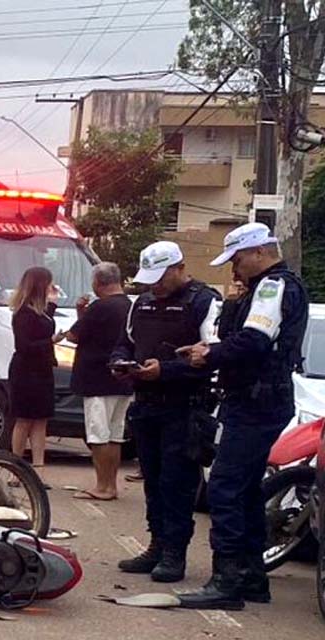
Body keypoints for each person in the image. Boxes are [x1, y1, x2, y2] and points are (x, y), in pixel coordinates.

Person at [177, 223, 309, 610]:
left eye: (237, 259)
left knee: (226, 487)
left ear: (258, 253)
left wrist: (211, 355)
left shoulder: (272, 286)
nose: (234, 268)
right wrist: (210, 346)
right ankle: (251, 577)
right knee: (247, 489)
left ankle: (227, 581)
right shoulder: (272, 287)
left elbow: (254, 341)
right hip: (260, 398)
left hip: (256, 401)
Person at [111, 241, 221, 583]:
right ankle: (157, 545)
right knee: (154, 482)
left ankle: (175, 553)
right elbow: (125, 342)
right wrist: (118, 362)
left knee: (177, 484)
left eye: (160, 278)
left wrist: (168, 370)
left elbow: (211, 358)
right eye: (149, 279)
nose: (154, 286)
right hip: (146, 405)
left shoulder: (204, 302)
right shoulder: (141, 303)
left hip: (184, 408)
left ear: (179, 268)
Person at [65, 262, 133, 501]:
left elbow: (74, 335)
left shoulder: (99, 307)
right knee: (115, 435)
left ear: (98, 282)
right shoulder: (129, 305)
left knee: (97, 435)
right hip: (123, 377)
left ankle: (102, 486)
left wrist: (81, 314)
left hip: (96, 377)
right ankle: (111, 484)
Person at [8, 267, 64, 483]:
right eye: (49, 282)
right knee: (24, 420)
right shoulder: (22, 312)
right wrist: (50, 342)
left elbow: (44, 325)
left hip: (42, 369)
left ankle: (38, 470)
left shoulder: (40, 311)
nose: (52, 286)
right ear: (40, 284)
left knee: (41, 420)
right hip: (26, 370)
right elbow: (24, 345)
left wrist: (53, 304)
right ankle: (16, 469)